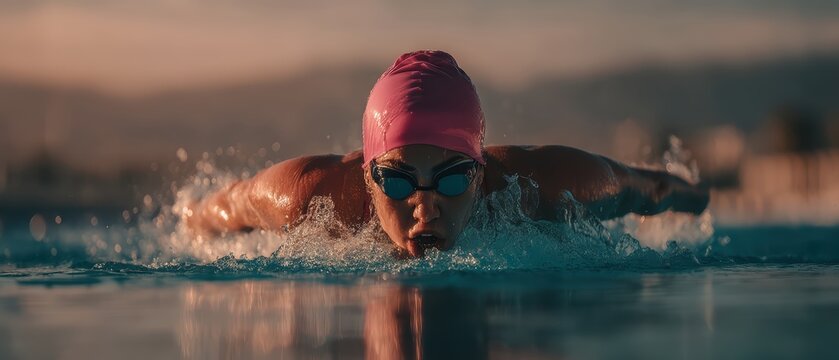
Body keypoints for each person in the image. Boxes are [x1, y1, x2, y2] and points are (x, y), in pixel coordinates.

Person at [184, 50, 709, 257]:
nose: (426, 206)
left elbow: (652, 188)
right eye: (397, 181)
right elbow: (225, 206)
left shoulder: (539, 188)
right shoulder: (310, 197)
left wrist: (698, 198)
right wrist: (193, 222)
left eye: (453, 180)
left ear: (480, 176)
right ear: (368, 177)